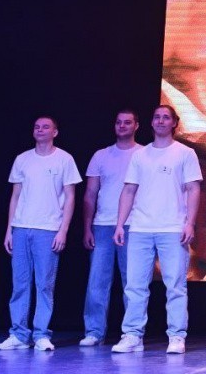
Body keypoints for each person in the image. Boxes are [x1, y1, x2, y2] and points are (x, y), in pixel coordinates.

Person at [110, 105, 202, 354]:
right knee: (135, 285)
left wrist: (190, 223)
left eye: (166, 117)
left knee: (176, 285)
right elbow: (129, 190)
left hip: (173, 228)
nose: (161, 121)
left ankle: (177, 336)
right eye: (157, 117)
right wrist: (120, 224)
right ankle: (132, 335)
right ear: (151, 123)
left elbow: (194, 189)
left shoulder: (185, 153)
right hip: (140, 227)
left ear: (174, 123)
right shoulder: (140, 155)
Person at [0, 116, 82, 351]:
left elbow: (71, 197)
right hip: (22, 227)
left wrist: (63, 230)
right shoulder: (22, 159)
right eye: (37, 127)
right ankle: (18, 334)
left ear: (55, 132)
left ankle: (41, 334)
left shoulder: (64, 159)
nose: (40, 130)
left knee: (44, 284)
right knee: (20, 284)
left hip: (48, 229)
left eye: (46, 127)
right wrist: (9, 230)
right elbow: (15, 196)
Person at [79, 109, 143, 346]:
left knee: (132, 282)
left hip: (133, 225)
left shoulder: (144, 154)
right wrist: (87, 227)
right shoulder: (101, 155)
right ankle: (94, 331)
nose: (122, 126)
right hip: (102, 225)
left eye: (127, 122)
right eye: (118, 122)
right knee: (97, 281)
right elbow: (90, 194)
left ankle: (132, 333)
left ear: (136, 125)